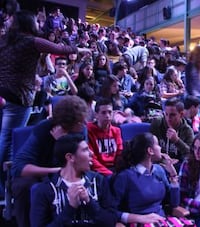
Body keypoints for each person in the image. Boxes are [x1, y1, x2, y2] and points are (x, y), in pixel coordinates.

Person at [0, 10, 90, 194]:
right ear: (30, 24)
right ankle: (6, 183)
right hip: (18, 96)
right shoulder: (30, 41)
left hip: (3, 93)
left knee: (5, 138)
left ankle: (6, 182)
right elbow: (61, 49)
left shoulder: (5, 41)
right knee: (8, 140)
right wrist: (81, 49)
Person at [11, 95, 89, 227]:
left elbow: (84, 164)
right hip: (44, 175)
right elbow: (18, 168)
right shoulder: (43, 129)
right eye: (80, 122)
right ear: (67, 124)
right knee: (22, 186)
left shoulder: (81, 131)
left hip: (70, 175)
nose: (85, 124)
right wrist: (55, 170)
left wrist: (63, 142)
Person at [30, 134, 118, 227]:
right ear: (70, 157)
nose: (91, 153)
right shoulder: (46, 189)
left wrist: (89, 202)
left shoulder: (98, 181)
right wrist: (71, 207)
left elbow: (111, 221)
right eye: (85, 150)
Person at [111, 133, 179, 225]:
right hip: (139, 223)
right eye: (157, 144)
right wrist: (140, 218)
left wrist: (173, 176)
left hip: (161, 221)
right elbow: (111, 212)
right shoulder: (125, 176)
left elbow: (174, 203)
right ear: (150, 151)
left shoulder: (159, 170)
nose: (160, 148)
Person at [150, 98, 194, 168]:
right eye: (166, 114)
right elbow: (149, 148)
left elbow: (191, 155)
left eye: (172, 115)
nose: (168, 118)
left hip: (178, 165)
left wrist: (177, 141)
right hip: (158, 163)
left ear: (181, 114)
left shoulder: (187, 130)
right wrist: (162, 157)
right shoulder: (157, 123)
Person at [87, 98, 123, 176]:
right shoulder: (89, 130)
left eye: (110, 112)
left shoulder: (116, 131)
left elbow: (120, 153)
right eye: (103, 113)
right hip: (97, 171)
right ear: (96, 115)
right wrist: (110, 174)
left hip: (114, 169)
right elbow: (92, 159)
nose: (107, 116)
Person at [185, 44, 200, 114]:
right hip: (192, 97)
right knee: (195, 119)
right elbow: (188, 84)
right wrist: (192, 99)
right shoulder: (190, 66)